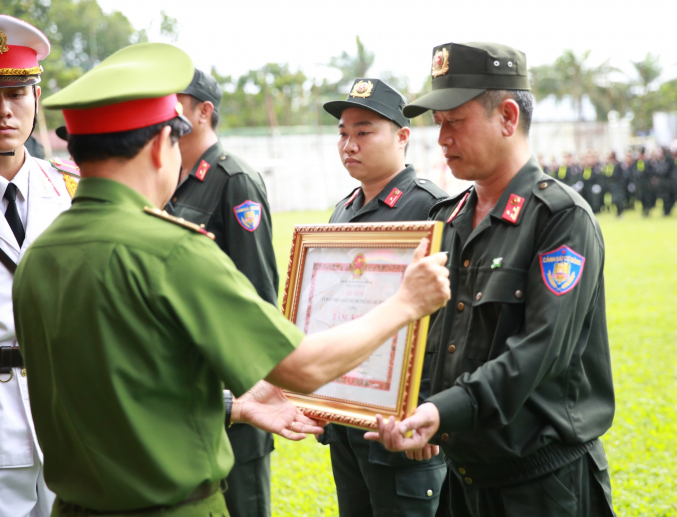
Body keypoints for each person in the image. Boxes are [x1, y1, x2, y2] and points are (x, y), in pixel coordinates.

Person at [14, 42, 451, 517]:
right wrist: (405, 302)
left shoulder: (39, 255)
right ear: (163, 144)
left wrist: (237, 406)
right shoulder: (172, 250)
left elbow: (125, 390)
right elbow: (301, 368)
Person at [367, 42, 616, 517]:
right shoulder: (449, 219)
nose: (441, 139)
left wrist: (442, 411)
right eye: (437, 125)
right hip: (463, 479)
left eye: (454, 122)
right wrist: (417, 406)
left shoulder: (558, 217)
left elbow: (541, 349)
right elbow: (428, 336)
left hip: (542, 485)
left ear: (506, 116)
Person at [318, 78, 449, 517]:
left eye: (364, 131)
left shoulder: (432, 210)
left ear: (403, 136)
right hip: (347, 419)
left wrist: (431, 410)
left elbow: (451, 325)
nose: (349, 144)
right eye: (342, 132)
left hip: (405, 423)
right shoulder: (343, 211)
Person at [166, 68, 278, 517]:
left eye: (172, 104)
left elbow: (258, 294)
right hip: (186, 390)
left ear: (203, 112)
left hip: (238, 394)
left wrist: (250, 391)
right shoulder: (168, 176)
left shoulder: (235, 181)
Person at [0, 14, 80, 517]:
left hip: (64, 416)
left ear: (36, 99)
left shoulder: (74, 190)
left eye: (16, 93)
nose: (4, 110)